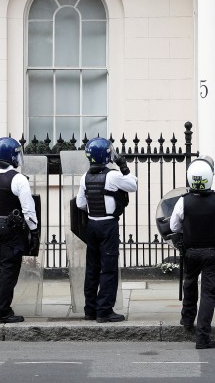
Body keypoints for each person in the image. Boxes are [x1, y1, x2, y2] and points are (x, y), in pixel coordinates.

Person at [170, 157, 215, 350]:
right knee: (209, 292)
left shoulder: (183, 202)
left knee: (189, 284)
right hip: (214, 254)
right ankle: (203, 336)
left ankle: (187, 319)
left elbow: (174, 226)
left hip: (190, 252)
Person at [76, 137, 138, 322]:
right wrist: (124, 166)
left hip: (92, 225)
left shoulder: (85, 177)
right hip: (108, 226)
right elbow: (133, 184)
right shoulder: (112, 176)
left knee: (92, 269)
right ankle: (104, 310)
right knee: (108, 269)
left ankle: (90, 309)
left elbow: (80, 203)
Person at [0, 137, 38, 324]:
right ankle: (2, 311)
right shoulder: (18, 179)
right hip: (10, 229)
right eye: (18, 153)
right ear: (12, 156)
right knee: (9, 269)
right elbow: (28, 209)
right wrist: (34, 231)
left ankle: (1, 306)